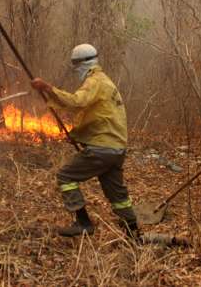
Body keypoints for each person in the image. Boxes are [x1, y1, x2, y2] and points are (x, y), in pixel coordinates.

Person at [30, 44, 139, 239]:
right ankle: (133, 235)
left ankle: (83, 223)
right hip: (116, 150)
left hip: (103, 148)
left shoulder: (95, 81)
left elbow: (76, 101)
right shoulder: (105, 82)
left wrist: (48, 88)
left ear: (82, 63)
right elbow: (98, 116)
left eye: (75, 65)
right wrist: (77, 135)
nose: (75, 69)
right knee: (118, 196)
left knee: (65, 176)